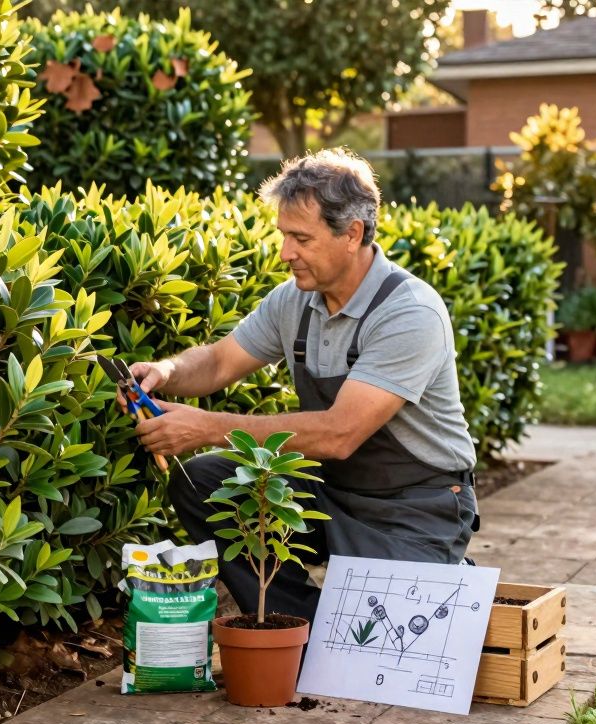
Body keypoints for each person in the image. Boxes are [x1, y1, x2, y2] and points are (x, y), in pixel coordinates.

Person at [124, 149, 479, 623]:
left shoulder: (409, 312)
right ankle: (297, 626)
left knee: (386, 640)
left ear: (351, 234)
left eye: (301, 238)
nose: (285, 253)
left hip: (414, 507)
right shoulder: (295, 299)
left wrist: (205, 427)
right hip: (330, 492)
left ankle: (437, 571)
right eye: (283, 235)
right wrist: (165, 372)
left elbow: (339, 434)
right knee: (203, 481)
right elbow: (217, 362)